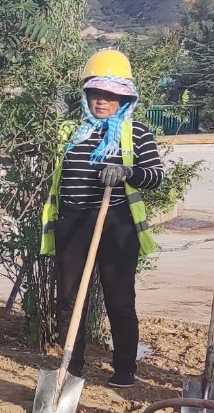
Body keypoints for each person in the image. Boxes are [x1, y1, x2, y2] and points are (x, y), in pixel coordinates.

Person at [40, 49, 163, 388]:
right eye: (96, 93)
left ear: (124, 98)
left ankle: (124, 367)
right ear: (86, 95)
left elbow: (155, 175)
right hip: (73, 222)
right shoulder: (71, 132)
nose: (102, 101)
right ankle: (72, 366)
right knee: (68, 299)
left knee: (119, 298)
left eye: (110, 95)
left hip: (115, 224)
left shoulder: (134, 132)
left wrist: (127, 171)